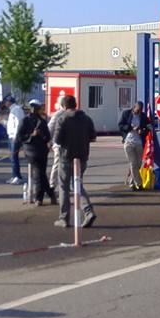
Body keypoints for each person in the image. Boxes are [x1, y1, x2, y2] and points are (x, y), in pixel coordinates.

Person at [54, 95, 98, 227]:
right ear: (76, 104)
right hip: (82, 157)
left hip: (66, 157)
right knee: (78, 185)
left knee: (64, 187)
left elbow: (57, 139)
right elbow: (93, 137)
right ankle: (88, 211)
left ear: (64, 106)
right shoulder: (86, 119)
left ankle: (64, 218)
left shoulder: (62, 119)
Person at [17, 99, 56, 206]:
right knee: (39, 174)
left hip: (42, 151)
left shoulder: (42, 121)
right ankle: (41, 197)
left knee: (41, 174)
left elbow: (47, 137)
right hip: (31, 151)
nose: (35, 110)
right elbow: (20, 137)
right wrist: (31, 135)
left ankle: (48, 195)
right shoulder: (24, 121)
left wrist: (41, 134)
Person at [119, 102, 150, 191]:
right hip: (128, 142)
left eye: (140, 111)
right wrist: (131, 128)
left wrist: (142, 131)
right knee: (133, 163)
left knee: (138, 164)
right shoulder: (126, 114)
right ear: (134, 107)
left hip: (139, 142)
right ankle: (139, 184)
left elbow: (148, 127)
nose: (138, 112)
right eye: (137, 110)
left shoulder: (143, 117)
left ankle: (132, 183)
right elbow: (121, 126)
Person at [48, 97, 69, 191]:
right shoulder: (58, 114)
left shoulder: (65, 114)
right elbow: (50, 127)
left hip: (65, 144)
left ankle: (64, 184)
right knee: (57, 163)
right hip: (59, 144)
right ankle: (52, 184)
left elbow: (49, 128)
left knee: (63, 164)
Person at [5, 96, 26, 185]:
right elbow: (11, 124)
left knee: (14, 157)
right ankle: (15, 175)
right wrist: (2, 121)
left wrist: (17, 136)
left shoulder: (16, 109)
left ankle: (17, 176)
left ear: (9, 102)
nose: (5, 103)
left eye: (6, 101)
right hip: (11, 136)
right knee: (12, 157)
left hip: (15, 136)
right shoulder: (12, 110)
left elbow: (18, 123)